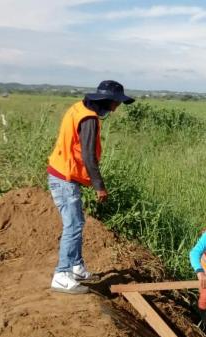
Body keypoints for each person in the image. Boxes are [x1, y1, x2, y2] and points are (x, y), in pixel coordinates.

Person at [47, 80, 134, 294]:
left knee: (76, 222)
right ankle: (62, 274)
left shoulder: (79, 107)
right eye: (117, 103)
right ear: (109, 101)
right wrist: (99, 186)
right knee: (73, 225)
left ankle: (76, 268)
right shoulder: (89, 119)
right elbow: (88, 156)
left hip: (62, 172)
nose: (117, 107)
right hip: (64, 178)